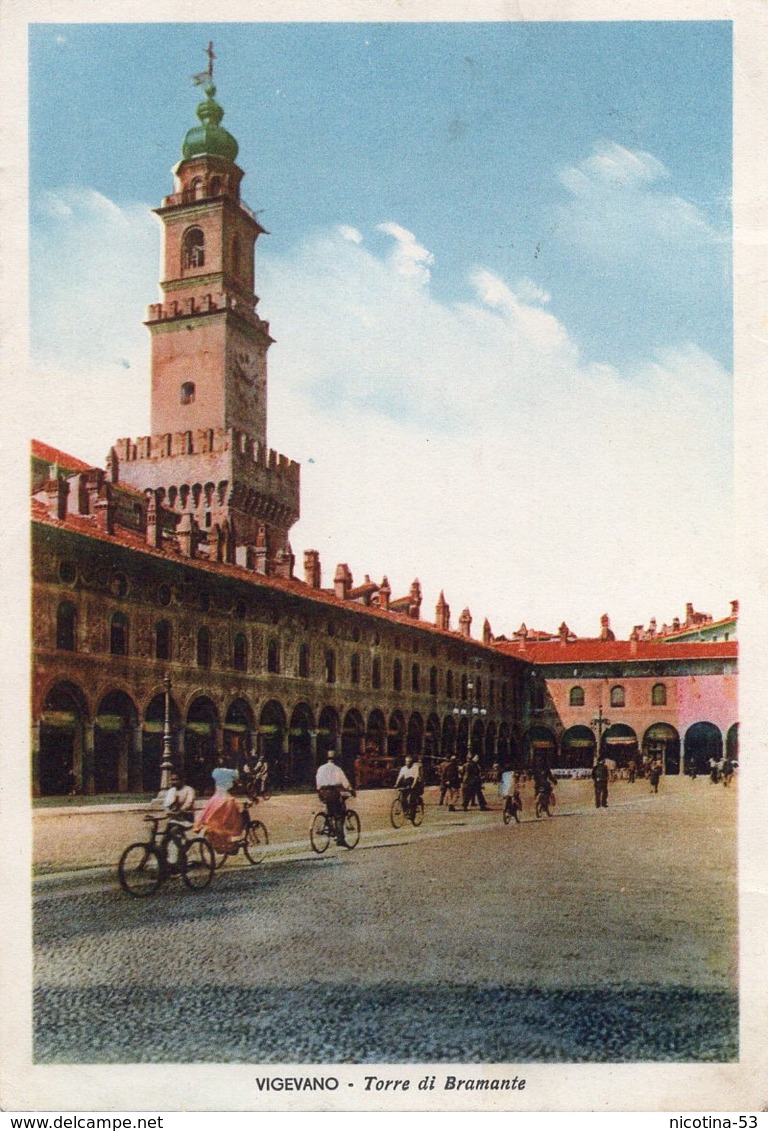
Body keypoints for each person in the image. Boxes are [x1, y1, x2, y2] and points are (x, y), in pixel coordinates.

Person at [194, 758, 243, 854]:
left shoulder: (216, 772)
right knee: (234, 819)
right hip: (227, 800)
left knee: (214, 819)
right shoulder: (233, 772)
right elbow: (239, 784)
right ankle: (234, 839)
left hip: (216, 799)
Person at [316, 749, 355, 845]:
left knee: (329, 808)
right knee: (339, 815)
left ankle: (328, 824)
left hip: (322, 793)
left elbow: (318, 781)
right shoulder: (337, 769)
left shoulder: (321, 768)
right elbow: (345, 783)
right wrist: (351, 790)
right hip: (333, 793)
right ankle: (340, 839)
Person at [395, 755, 419, 820]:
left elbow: (416, 777)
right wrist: (396, 784)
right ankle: (406, 811)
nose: (407, 763)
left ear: (411, 762)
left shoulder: (415, 767)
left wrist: (413, 786)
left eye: (409, 761)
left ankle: (412, 814)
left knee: (412, 799)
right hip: (406, 784)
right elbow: (400, 777)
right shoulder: (403, 768)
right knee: (403, 798)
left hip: (414, 784)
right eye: (406, 761)